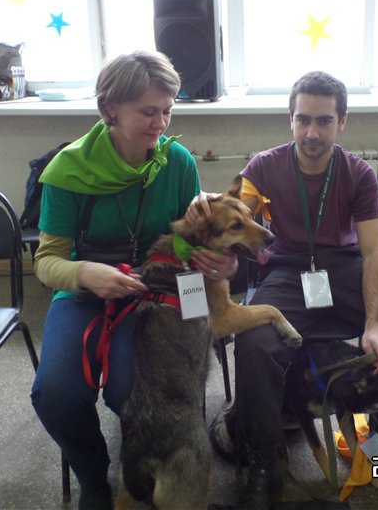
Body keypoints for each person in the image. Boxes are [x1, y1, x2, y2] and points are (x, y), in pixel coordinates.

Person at [190, 70, 378, 509]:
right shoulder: (263, 167)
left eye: (324, 121)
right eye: (303, 120)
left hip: (347, 269)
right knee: (254, 343)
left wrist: (375, 324)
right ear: (290, 120)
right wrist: (207, 209)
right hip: (288, 272)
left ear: (341, 122)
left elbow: (375, 252)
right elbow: (234, 217)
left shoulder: (359, 174)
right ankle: (265, 461)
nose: (312, 132)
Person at [30, 50, 236, 510]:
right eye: (147, 112)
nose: (160, 123)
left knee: (139, 389)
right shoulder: (67, 170)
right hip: (85, 291)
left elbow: (188, 245)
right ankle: (93, 477)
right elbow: (47, 262)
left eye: (168, 110)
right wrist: (85, 273)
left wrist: (217, 270)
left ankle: (149, 469)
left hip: (157, 291)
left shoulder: (177, 162)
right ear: (110, 109)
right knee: (55, 393)